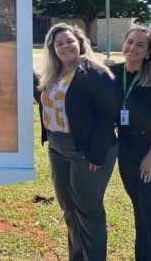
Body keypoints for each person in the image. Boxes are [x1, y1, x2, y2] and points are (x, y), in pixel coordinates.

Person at [34, 23, 117, 261]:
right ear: (52, 49)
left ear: (79, 42)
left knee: (88, 213)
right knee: (69, 211)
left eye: (69, 41)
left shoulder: (91, 71)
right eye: (58, 43)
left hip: (87, 150)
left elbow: (109, 112)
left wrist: (97, 153)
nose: (65, 46)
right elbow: (45, 98)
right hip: (57, 148)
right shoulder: (55, 73)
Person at [111, 25, 151, 261]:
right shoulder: (112, 75)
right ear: (123, 43)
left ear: (149, 51)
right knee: (139, 210)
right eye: (130, 41)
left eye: (140, 45)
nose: (133, 48)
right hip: (126, 152)